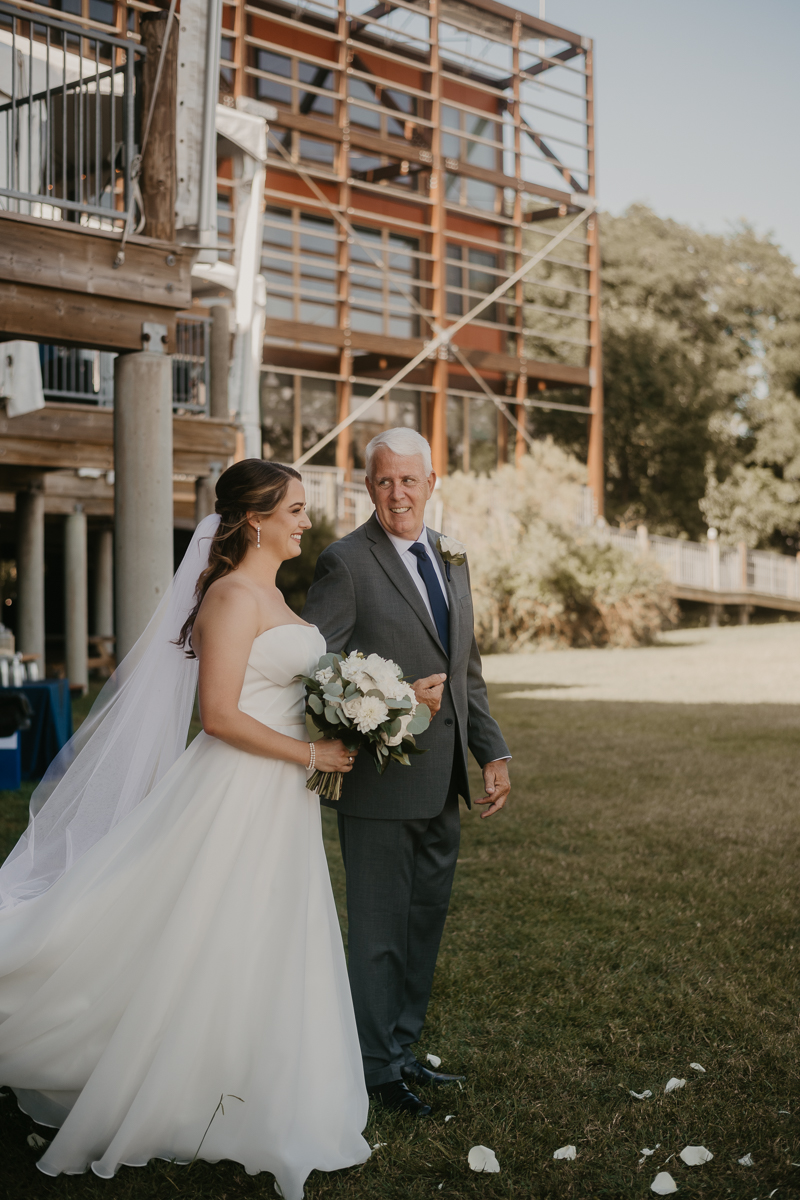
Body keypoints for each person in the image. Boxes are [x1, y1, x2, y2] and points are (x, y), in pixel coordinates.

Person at [0, 460, 370, 1199]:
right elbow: (221, 716)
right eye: (295, 509)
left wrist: (374, 703)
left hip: (277, 799)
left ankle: (239, 1079)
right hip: (235, 791)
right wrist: (311, 752)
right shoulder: (232, 595)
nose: (305, 521)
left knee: (258, 935)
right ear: (256, 518)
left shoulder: (269, 591)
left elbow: (284, 691)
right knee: (198, 927)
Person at [303, 427, 511, 1117]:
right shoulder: (344, 563)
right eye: (385, 480)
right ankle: (373, 1070)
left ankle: (402, 1049)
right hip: (379, 787)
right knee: (380, 934)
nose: (398, 492)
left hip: (443, 782)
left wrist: (493, 751)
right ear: (369, 486)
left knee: (422, 928)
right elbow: (316, 676)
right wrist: (397, 702)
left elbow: (465, 670)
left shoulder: (451, 556)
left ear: (432, 482)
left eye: (409, 480)